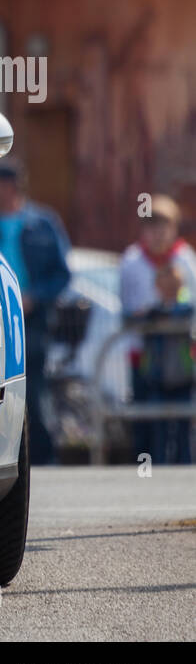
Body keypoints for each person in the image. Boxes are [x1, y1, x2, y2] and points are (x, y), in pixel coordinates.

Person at [0, 161, 72, 465]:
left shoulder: (43, 223)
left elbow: (62, 275)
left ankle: (44, 458)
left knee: (33, 391)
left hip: (32, 323)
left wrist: (35, 298)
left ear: (8, 186)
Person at [119, 195, 196, 464]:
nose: (158, 233)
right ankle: (147, 479)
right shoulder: (131, 261)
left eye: (164, 226)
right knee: (147, 423)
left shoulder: (186, 260)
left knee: (183, 421)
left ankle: (183, 474)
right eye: (152, 226)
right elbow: (127, 308)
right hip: (145, 357)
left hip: (181, 358)